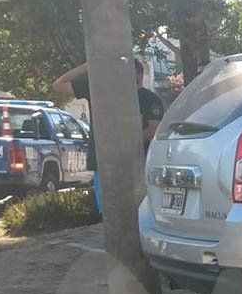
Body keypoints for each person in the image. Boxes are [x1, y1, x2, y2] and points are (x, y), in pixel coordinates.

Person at [52, 58, 164, 213]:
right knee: (109, 213)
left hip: (136, 163)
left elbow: (152, 131)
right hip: (103, 161)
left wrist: (124, 144)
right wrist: (87, 66)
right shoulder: (98, 89)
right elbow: (59, 85)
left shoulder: (150, 99)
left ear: (138, 74)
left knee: (138, 212)